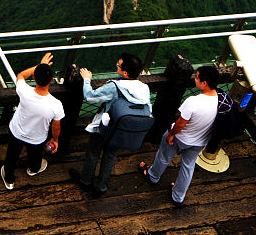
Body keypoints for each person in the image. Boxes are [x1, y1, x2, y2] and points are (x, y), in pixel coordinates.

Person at [71, 52, 151, 197]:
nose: (117, 66)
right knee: (110, 155)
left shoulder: (115, 86)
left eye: (118, 65)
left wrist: (87, 80)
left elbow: (90, 97)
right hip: (122, 129)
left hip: (105, 126)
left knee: (93, 152)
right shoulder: (144, 88)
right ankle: (101, 186)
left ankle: (85, 181)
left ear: (125, 72)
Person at [141, 64, 220, 206]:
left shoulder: (193, 102)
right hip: (199, 142)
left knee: (164, 156)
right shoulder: (221, 101)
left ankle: (153, 176)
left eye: (197, 77)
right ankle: (178, 196)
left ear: (204, 83)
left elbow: (180, 123)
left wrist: (171, 134)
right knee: (188, 167)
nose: (194, 79)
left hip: (181, 138)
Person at [0, 52, 63, 190]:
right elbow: (56, 127)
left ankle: (9, 179)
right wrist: (55, 140)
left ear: (34, 77)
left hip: (16, 131)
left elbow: (21, 76)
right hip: (37, 137)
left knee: (12, 155)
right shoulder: (56, 104)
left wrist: (40, 66)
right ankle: (34, 169)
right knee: (36, 155)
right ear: (51, 80)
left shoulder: (24, 91)